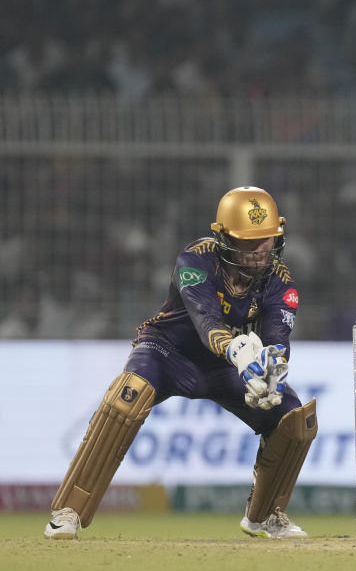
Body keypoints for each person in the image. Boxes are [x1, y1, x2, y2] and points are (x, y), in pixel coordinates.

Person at [44, 186, 317, 540]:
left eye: (266, 241)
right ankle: (68, 512)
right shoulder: (196, 259)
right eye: (249, 243)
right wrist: (240, 353)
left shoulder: (281, 282)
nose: (259, 253)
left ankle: (264, 517)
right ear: (224, 239)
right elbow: (207, 324)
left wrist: (270, 374)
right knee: (128, 395)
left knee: (295, 420)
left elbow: (278, 341)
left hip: (226, 370)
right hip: (169, 352)